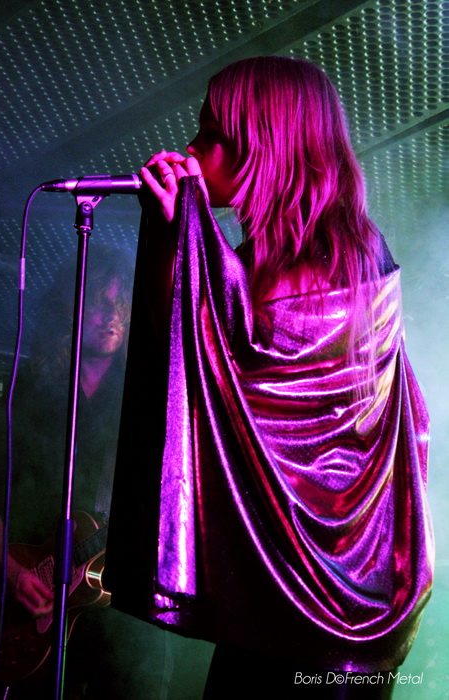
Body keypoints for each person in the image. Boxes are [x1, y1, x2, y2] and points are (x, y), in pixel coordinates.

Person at [103, 57, 434, 699]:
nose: (191, 149)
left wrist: (192, 241)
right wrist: (180, 237)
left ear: (263, 142)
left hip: (328, 619)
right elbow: (190, 386)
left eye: (211, 133)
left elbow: (241, 388)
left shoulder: (339, 260)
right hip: (270, 596)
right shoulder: (256, 258)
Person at [0, 244, 148, 698]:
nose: (112, 316)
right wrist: (15, 574)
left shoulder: (141, 402)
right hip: (17, 603)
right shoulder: (29, 389)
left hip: (107, 619)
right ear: (71, 308)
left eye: (122, 305)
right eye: (100, 302)